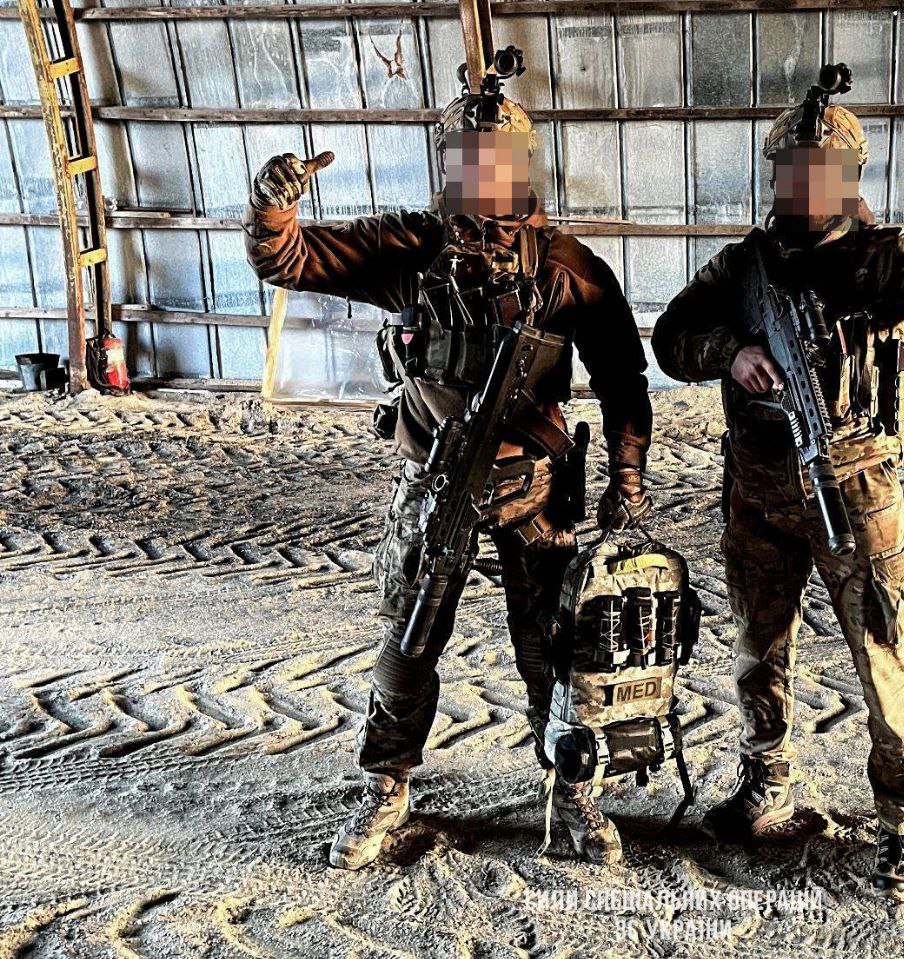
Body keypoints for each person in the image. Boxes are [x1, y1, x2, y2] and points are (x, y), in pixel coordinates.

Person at [243, 75, 653, 870]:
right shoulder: (409, 250)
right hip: (432, 488)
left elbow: (622, 379)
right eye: (468, 157)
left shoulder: (566, 265)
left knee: (554, 648)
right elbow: (287, 259)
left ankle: (570, 788)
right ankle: (386, 785)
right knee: (409, 640)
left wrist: (626, 475)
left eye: (498, 157)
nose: (483, 172)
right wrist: (271, 207)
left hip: (535, 489)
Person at [650, 65, 904, 901]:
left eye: (822, 173)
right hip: (758, 493)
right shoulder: (743, 266)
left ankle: (902, 824)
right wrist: (730, 353)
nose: (806, 187)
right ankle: (767, 778)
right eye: (793, 173)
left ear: (848, 177)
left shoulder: (888, 255)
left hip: (857, 493)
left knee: (884, 663)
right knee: (758, 652)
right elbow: (671, 338)